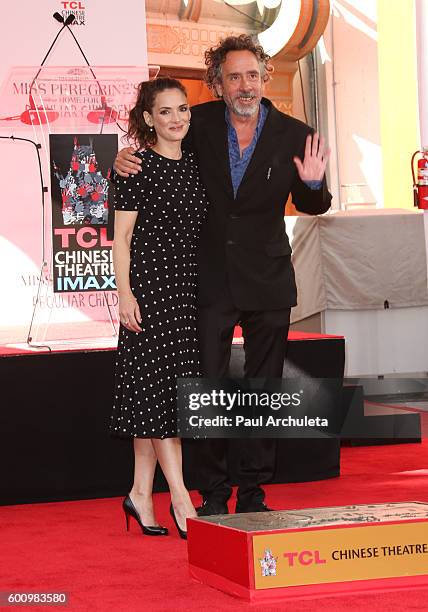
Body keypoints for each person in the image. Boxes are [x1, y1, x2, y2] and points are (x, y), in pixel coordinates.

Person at [114, 35, 332, 517]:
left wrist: (314, 182)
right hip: (207, 279)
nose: (244, 85)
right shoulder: (199, 122)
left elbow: (316, 204)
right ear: (218, 83)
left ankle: (253, 489)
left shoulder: (297, 134)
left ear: (264, 77)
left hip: (269, 279)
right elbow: (156, 145)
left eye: (252, 75)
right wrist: (122, 157)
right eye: (233, 76)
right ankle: (213, 489)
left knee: (263, 388)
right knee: (207, 387)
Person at [110, 77, 208, 539]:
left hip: (184, 296)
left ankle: (140, 494)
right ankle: (183, 499)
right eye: (165, 111)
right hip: (147, 295)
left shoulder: (193, 165)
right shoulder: (133, 169)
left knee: (154, 397)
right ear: (148, 119)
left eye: (183, 109)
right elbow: (122, 241)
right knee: (161, 399)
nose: (177, 119)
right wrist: (124, 295)